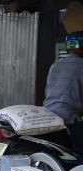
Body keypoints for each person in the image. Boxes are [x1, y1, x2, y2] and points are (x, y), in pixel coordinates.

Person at [43, 2, 83, 161]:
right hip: (68, 121)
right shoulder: (81, 66)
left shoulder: (55, 65)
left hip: (48, 118)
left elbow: (50, 94)